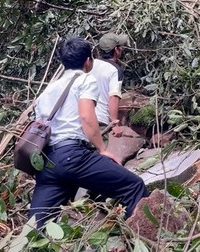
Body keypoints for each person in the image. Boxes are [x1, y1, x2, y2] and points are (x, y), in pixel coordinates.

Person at [29, 37, 148, 227]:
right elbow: (86, 117)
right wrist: (102, 149)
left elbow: (39, 127)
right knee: (134, 186)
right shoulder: (85, 80)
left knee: (36, 227)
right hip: (73, 156)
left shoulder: (48, 90)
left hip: (48, 164)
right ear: (88, 61)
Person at [90, 32, 131, 137]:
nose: (122, 49)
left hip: (83, 116)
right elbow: (114, 96)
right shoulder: (115, 70)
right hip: (99, 120)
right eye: (120, 47)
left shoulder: (91, 64)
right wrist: (115, 124)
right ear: (116, 50)